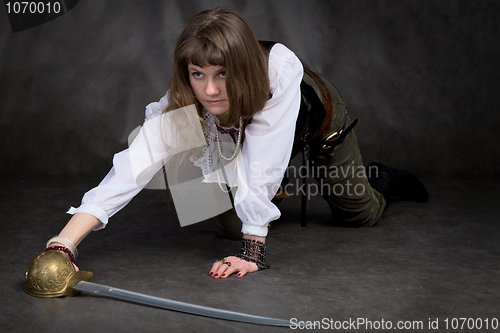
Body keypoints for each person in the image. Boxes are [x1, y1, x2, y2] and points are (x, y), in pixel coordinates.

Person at [34, 7, 428, 282]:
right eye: (197, 74)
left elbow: (264, 159)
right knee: (227, 227)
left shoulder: (278, 69)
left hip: (317, 122)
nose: (209, 89)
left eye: (222, 74)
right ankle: (275, 194)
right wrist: (64, 244)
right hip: (247, 137)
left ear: (241, 66)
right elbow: (134, 165)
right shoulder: (185, 98)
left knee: (359, 215)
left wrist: (253, 252)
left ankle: (383, 181)